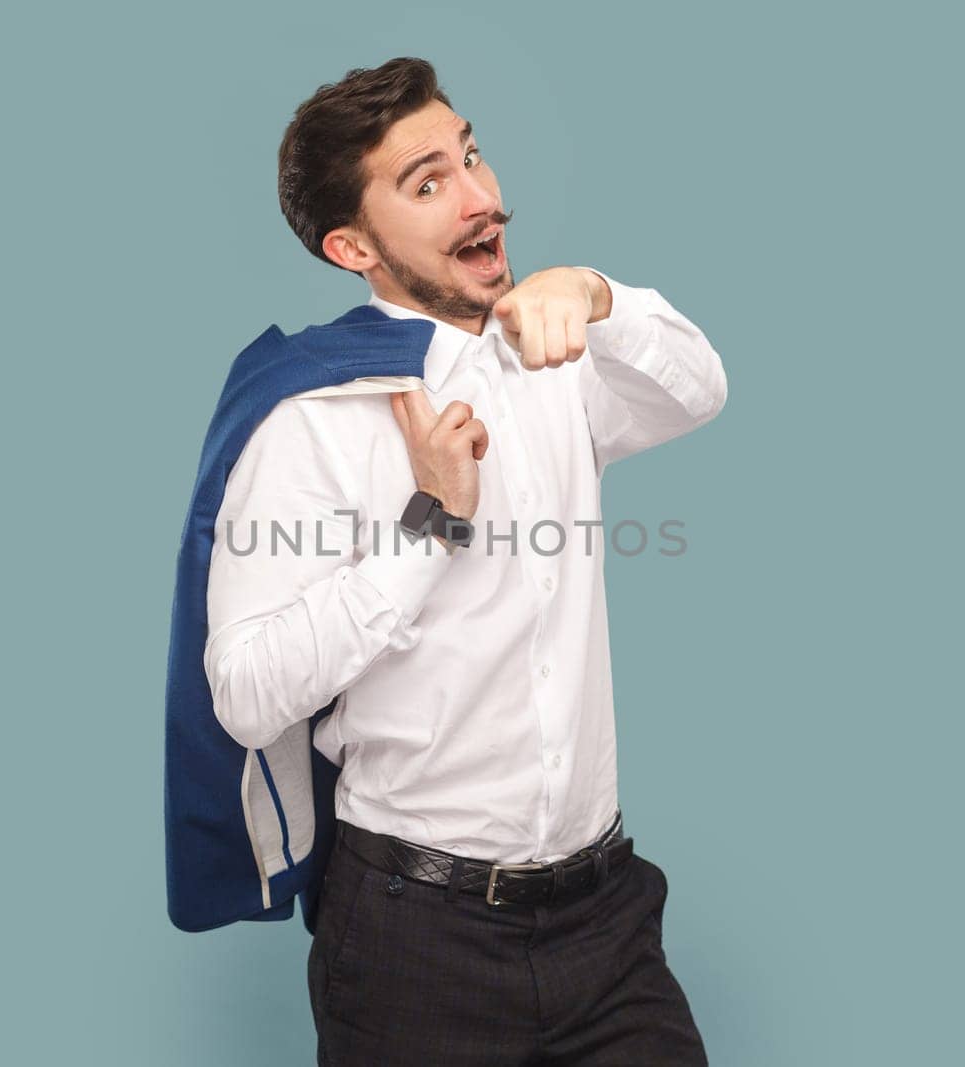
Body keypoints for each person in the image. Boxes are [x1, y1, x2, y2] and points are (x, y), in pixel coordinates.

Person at [203, 57, 727, 1064]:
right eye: (427, 183)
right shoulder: (310, 417)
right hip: (416, 936)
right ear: (351, 245)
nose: (484, 199)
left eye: (471, 156)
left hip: (603, 916)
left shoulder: (550, 357)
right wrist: (430, 523)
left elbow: (696, 389)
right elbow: (245, 692)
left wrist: (600, 293)